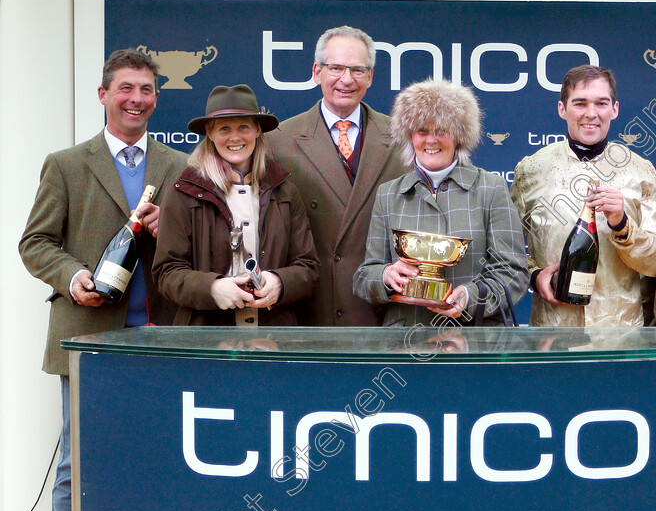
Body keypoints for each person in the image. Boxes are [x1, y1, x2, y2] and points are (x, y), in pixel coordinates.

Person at [19, 48, 187, 511]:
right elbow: (35, 243)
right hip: (87, 335)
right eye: (126, 89)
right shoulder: (66, 164)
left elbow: (197, 251)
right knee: (80, 463)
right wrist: (73, 277)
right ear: (103, 95)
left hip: (159, 336)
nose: (137, 99)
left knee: (159, 458)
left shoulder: (181, 166)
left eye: (146, 90)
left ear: (157, 97)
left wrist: (167, 229)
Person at [353, 79, 529, 327]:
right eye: (422, 130)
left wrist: (471, 297)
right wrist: (385, 275)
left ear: (459, 136)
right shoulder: (388, 194)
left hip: (474, 341)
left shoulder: (491, 189)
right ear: (410, 135)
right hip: (404, 341)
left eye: (441, 131)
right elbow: (364, 276)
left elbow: (514, 273)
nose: (431, 140)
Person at [510, 65, 656, 327]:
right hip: (554, 332)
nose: (591, 113)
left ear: (614, 109)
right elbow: (508, 250)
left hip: (620, 337)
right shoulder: (531, 170)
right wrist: (535, 276)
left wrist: (622, 224)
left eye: (601, 103)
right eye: (580, 103)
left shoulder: (641, 170)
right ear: (562, 109)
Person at [265, 25, 405, 326]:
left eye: (357, 70)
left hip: (382, 309)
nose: (346, 79)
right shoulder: (277, 140)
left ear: (370, 77)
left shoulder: (402, 138)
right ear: (317, 72)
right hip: (309, 311)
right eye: (336, 68)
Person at [152, 84, 319, 326]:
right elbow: (166, 272)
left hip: (273, 335)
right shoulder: (185, 193)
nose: (235, 137)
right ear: (209, 132)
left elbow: (308, 266)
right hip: (206, 337)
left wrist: (280, 282)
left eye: (244, 127)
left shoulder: (285, 191)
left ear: (258, 130)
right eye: (224, 128)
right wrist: (212, 288)